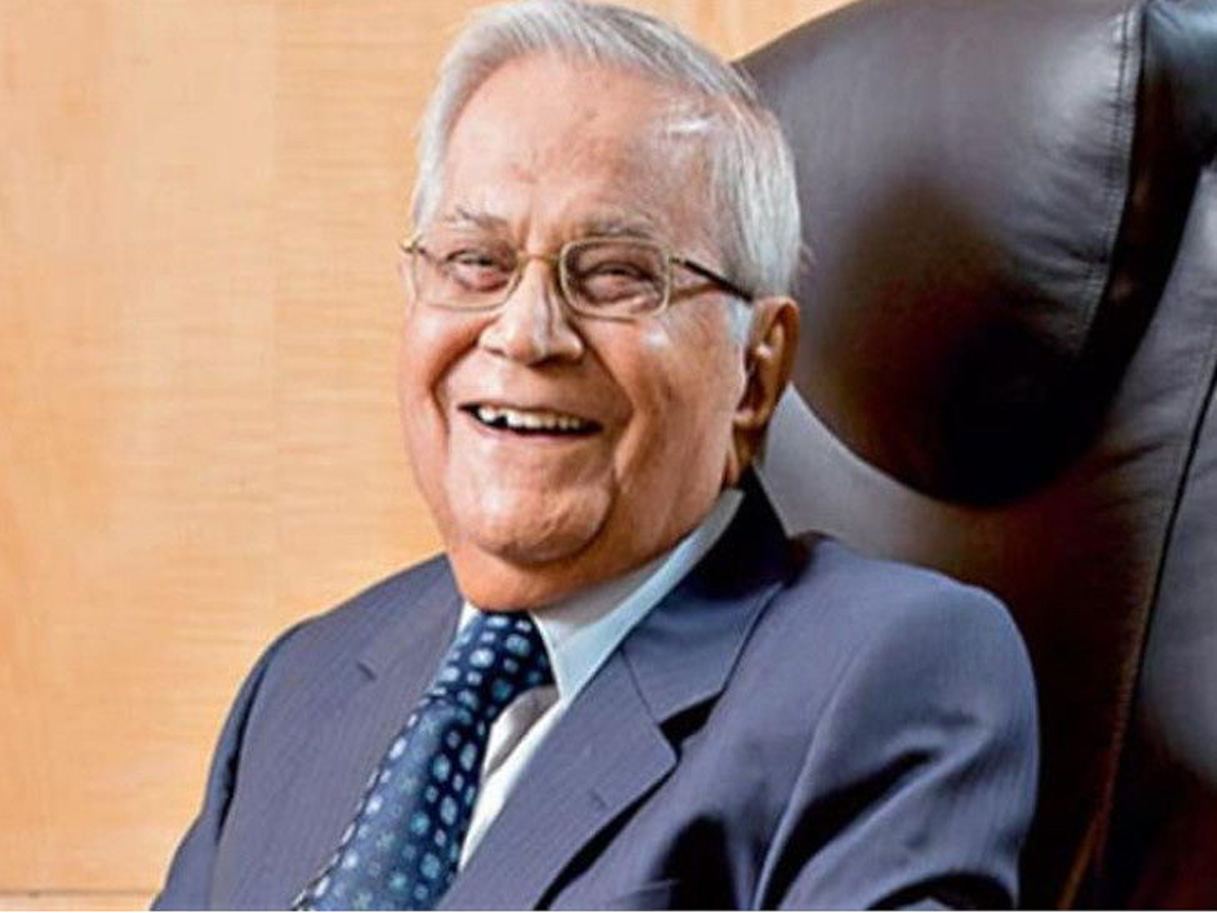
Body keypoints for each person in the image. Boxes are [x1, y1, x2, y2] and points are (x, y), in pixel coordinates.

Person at [154, 1, 1038, 908]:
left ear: (754, 371)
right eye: (475, 260)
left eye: (616, 273)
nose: (524, 332)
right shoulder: (301, 686)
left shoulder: (886, 673)